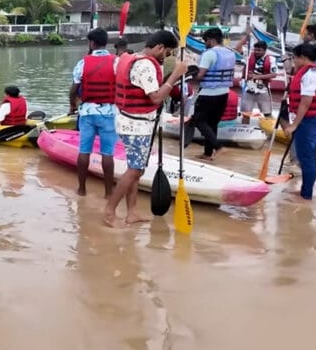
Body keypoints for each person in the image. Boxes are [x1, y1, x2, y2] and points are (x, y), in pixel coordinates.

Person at [104, 31, 187, 227]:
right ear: (159, 47)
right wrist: (176, 74)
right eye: (166, 53)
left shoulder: (132, 58)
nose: (165, 57)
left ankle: (131, 212)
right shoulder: (145, 65)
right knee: (135, 170)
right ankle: (109, 212)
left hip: (127, 121)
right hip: (136, 126)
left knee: (135, 170)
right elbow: (156, 98)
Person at [280, 42, 316, 200]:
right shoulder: (315, 72)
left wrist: (294, 125)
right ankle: (306, 190)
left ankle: (306, 195)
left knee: (307, 158)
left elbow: (306, 102)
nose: (294, 61)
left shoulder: (310, 75)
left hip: (309, 121)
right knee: (308, 157)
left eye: (295, 58)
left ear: (303, 58)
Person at [69, 28, 118, 197]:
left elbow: (73, 89)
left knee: (84, 151)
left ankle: (82, 190)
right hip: (109, 113)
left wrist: (72, 106)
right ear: (106, 43)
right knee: (107, 153)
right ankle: (108, 193)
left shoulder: (83, 63)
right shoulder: (116, 62)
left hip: (87, 112)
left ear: (91, 43)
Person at [191, 27, 236, 160]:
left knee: (198, 120)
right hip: (224, 93)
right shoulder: (231, 53)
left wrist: (187, 74)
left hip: (208, 93)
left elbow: (200, 75)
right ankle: (207, 153)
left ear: (211, 40)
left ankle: (218, 146)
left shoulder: (209, 53)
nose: (205, 43)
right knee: (212, 123)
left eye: (205, 40)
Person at [238, 40, 278, 124]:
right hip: (249, 88)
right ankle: (245, 129)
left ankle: (271, 128)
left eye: (259, 50)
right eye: (255, 50)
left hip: (263, 89)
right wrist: (246, 36)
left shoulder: (271, 59)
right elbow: (238, 47)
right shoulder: (248, 55)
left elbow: (274, 74)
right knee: (246, 113)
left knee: (267, 113)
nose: (256, 52)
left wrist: (257, 76)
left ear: (264, 50)